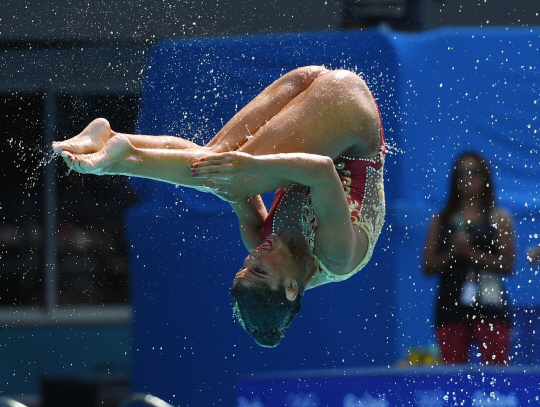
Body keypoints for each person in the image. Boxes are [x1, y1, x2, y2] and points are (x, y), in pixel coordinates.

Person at [52, 65, 386, 347]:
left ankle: (109, 138)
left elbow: (214, 178)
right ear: (291, 287)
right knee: (234, 176)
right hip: (349, 106)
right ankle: (118, 158)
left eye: (245, 265)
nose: (254, 255)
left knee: (214, 163)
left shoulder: (259, 241)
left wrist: (242, 173)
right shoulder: (336, 257)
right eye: (259, 269)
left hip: (307, 82)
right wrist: (256, 169)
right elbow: (322, 172)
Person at [423, 151, 515, 364]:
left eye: (474, 172)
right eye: (461, 173)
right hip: (451, 307)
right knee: (453, 375)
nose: (467, 178)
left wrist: (470, 253)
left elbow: (508, 265)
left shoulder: (499, 219)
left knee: (497, 374)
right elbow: (428, 266)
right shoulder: (441, 220)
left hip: (490, 307)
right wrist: (453, 252)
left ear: (486, 178)